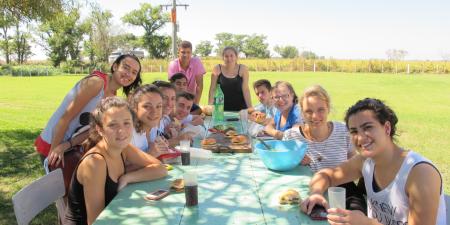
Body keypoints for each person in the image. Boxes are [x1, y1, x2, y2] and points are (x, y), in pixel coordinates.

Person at [300, 98, 446, 225]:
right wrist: (317, 193)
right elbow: (326, 175)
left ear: (387, 128)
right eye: (354, 131)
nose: (360, 138)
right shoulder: (366, 162)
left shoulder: (420, 173)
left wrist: (366, 223)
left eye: (368, 127)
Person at [65, 97, 167, 225]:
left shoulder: (123, 147)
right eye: (113, 125)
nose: (121, 131)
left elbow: (161, 169)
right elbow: (96, 221)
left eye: (126, 123)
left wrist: (128, 178)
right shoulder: (95, 162)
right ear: (100, 129)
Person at [35, 54, 142, 167]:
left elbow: (92, 129)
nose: (129, 74)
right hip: (53, 141)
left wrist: (66, 145)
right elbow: (66, 118)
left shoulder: (112, 98)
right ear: (115, 66)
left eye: (134, 72)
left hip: (69, 147)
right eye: (126, 67)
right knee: (56, 183)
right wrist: (54, 151)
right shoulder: (96, 83)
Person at [283, 85, 366, 212]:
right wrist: (293, 160)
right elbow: (283, 169)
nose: (315, 116)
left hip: (341, 190)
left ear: (328, 109)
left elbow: (354, 161)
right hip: (306, 191)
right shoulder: (291, 136)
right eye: (309, 111)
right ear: (302, 113)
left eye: (320, 110)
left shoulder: (344, 131)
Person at [129, 84, 170, 158]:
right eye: (147, 106)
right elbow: (120, 168)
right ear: (135, 108)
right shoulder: (129, 134)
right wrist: (150, 155)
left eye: (158, 106)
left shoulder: (153, 128)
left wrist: (160, 146)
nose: (154, 112)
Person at [208, 46, 252, 111]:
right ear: (223, 58)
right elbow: (212, 89)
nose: (229, 58)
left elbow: (246, 90)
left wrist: (250, 108)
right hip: (220, 109)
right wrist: (210, 106)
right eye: (226, 56)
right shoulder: (217, 68)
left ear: (236, 57)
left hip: (240, 110)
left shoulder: (243, 69)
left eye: (231, 56)